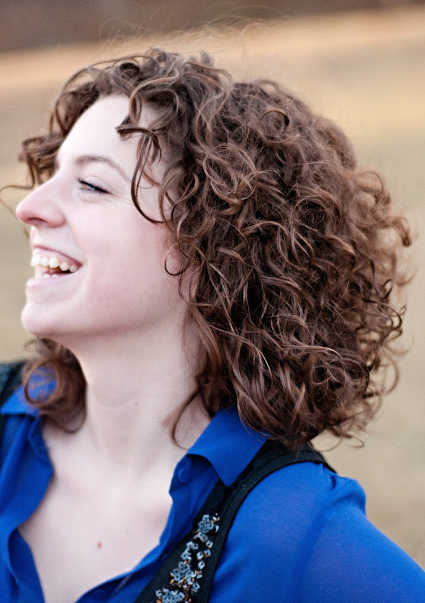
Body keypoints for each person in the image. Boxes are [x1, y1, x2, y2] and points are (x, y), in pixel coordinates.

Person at [1, 48, 424, 603]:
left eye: (92, 186)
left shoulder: (291, 530)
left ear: (213, 248)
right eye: (52, 175)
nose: (30, 206)